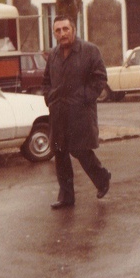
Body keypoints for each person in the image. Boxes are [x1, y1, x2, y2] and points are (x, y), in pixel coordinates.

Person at [42, 15, 111, 210]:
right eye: (58, 30)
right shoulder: (54, 54)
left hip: (80, 112)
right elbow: (46, 81)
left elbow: (100, 79)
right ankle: (66, 196)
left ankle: (102, 178)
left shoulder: (90, 50)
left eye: (65, 29)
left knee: (80, 149)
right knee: (60, 153)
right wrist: (49, 98)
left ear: (73, 29)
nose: (62, 34)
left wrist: (84, 98)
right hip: (58, 112)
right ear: (54, 33)